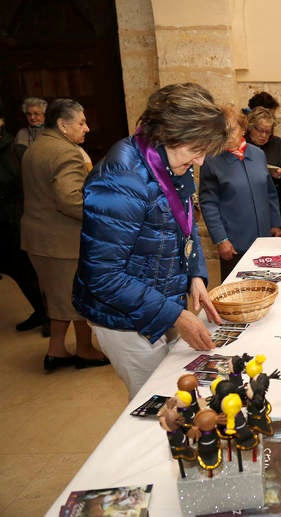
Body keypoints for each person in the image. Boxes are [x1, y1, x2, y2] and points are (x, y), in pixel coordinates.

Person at [73, 82, 226, 399]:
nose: (199, 162)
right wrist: (174, 315)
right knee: (158, 407)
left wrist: (195, 274)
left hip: (162, 302)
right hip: (125, 322)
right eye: (196, 151)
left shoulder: (172, 160)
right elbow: (102, 275)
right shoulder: (121, 178)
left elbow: (185, 225)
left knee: (183, 396)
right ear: (170, 133)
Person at [20, 98, 108, 372]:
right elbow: (71, 201)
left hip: (41, 238)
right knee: (79, 297)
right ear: (62, 124)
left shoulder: (37, 147)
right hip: (62, 240)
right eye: (81, 122)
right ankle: (84, 350)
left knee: (58, 298)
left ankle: (56, 350)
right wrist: (107, 217)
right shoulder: (65, 152)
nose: (87, 128)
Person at [200, 104, 281, 281]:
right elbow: (208, 204)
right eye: (222, 131)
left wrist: (276, 223)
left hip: (264, 240)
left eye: (232, 130)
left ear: (243, 128)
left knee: (267, 287)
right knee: (237, 293)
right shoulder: (211, 160)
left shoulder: (258, 155)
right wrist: (221, 239)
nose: (227, 136)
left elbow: (270, 192)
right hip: (235, 244)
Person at [0, 108, 47, 333]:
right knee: (16, 271)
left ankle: (51, 316)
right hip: (1, 224)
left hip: (20, 220)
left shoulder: (17, 151)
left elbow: (34, 188)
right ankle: (40, 310)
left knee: (34, 271)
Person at [245, 106, 281, 233]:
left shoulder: (278, 144)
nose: (264, 135)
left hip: (277, 206)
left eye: (268, 132)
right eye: (260, 130)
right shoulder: (241, 145)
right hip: (248, 207)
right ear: (250, 127)